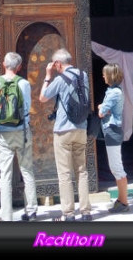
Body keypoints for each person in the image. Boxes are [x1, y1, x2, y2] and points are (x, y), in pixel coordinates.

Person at [39, 47, 92, 223]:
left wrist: (48, 75)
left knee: (65, 174)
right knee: (82, 171)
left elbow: (43, 97)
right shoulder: (83, 75)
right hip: (81, 128)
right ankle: (86, 212)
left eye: (54, 65)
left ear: (57, 63)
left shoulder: (60, 79)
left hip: (63, 130)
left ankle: (68, 214)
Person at [0, 51, 38, 222]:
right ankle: (31, 211)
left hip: (2, 133)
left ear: (3, 64)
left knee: (5, 174)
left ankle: (6, 215)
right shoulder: (23, 83)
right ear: (20, 67)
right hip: (22, 131)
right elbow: (27, 107)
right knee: (27, 170)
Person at [97, 63, 129, 212]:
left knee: (116, 167)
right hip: (112, 130)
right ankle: (121, 200)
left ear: (110, 76)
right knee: (116, 166)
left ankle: (123, 202)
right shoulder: (114, 91)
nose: (102, 76)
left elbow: (101, 112)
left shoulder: (113, 93)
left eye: (105, 74)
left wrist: (101, 107)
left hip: (112, 130)